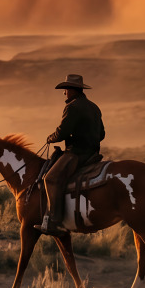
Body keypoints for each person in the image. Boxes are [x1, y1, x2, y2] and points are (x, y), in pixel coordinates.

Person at [38, 73, 104, 235]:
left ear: (73, 90)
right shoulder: (94, 107)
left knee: (50, 179)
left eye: (66, 89)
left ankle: (54, 221)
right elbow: (102, 134)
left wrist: (50, 138)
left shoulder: (72, 107)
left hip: (77, 152)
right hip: (92, 153)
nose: (64, 92)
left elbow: (62, 132)